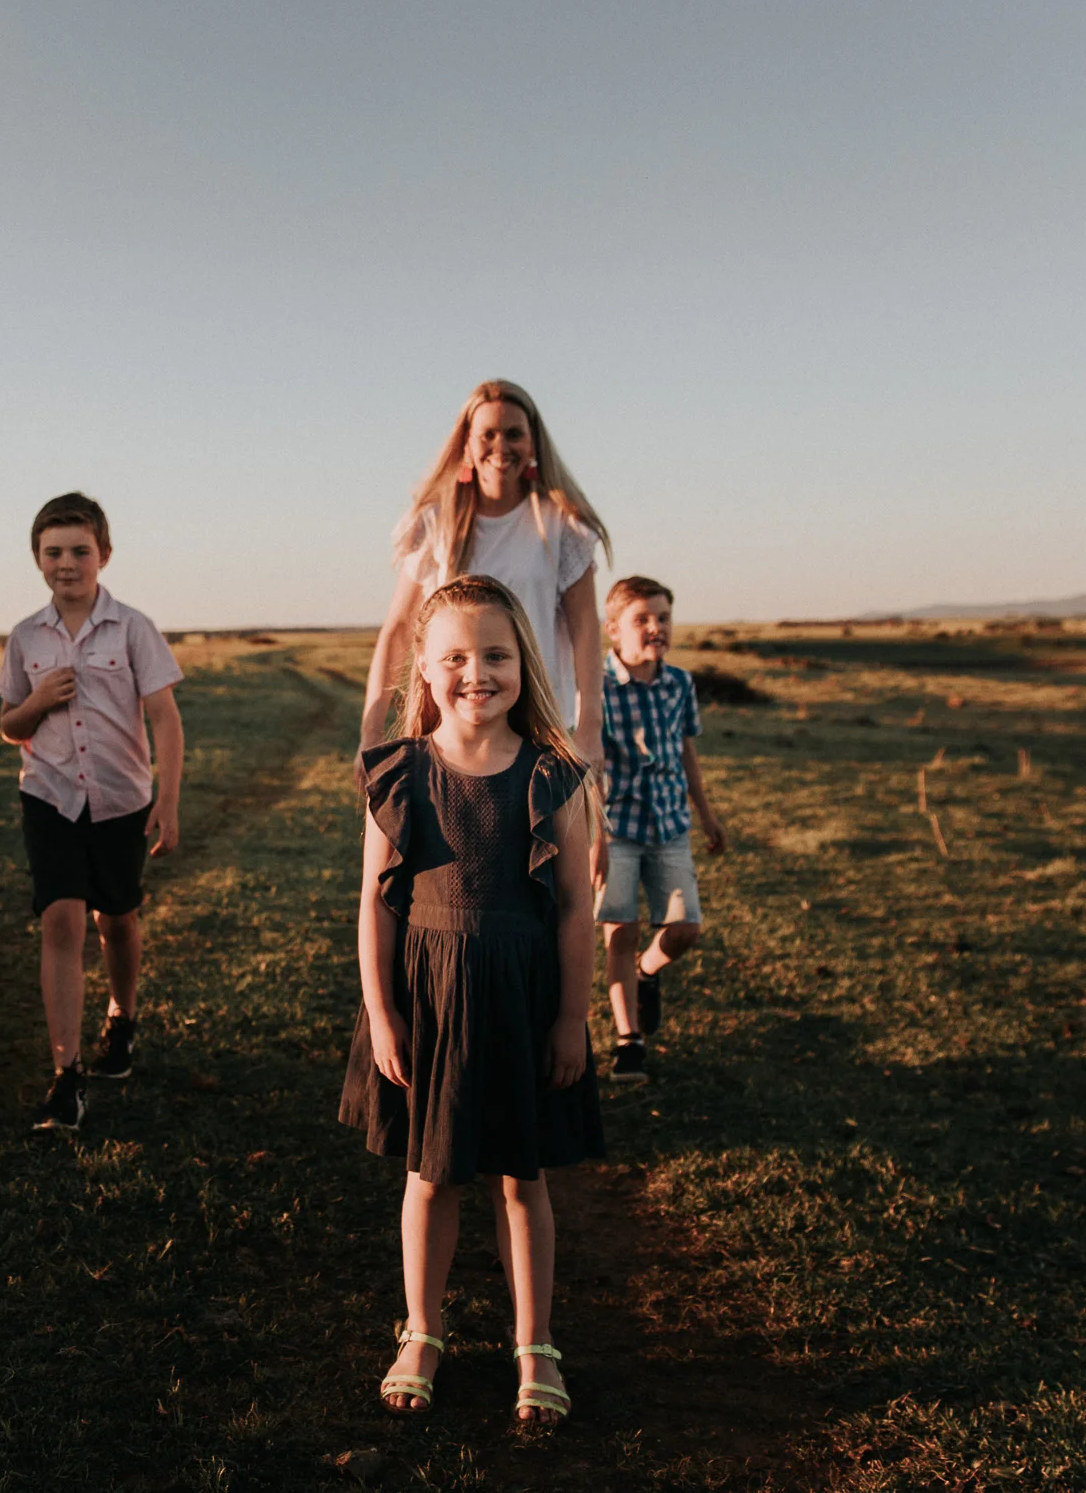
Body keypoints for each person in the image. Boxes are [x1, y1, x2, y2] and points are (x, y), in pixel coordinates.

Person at [340, 575, 602, 1427]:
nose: (476, 673)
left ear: (523, 663)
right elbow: (375, 905)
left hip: (524, 1000)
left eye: (495, 654)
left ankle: (536, 1343)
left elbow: (575, 906)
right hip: (431, 1002)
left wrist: (572, 1017)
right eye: (454, 656)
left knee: (521, 1181)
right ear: (423, 666)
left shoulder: (555, 777)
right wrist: (384, 1014)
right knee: (431, 1176)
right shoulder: (397, 773)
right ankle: (422, 1331)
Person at [0, 493, 185, 1133]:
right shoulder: (25, 637)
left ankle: (121, 1018)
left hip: (120, 799)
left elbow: (165, 718)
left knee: (118, 919)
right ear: (37, 559)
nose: (66, 563)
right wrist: (38, 700)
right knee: (62, 920)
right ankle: (66, 1075)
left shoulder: (132, 628)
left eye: (80, 550)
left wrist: (168, 799)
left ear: (104, 554)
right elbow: (10, 726)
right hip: (49, 797)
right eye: (53, 552)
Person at [360, 381, 610, 753]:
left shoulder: (561, 526)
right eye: (487, 435)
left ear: (533, 445)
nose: (501, 447)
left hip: (539, 728)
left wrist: (590, 726)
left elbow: (585, 628)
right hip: (450, 729)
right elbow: (398, 629)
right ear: (466, 444)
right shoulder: (436, 523)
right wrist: (372, 731)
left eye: (514, 434)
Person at [597, 576, 728, 1083]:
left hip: (670, 824)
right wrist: (592, 837)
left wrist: (707, 814)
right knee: (621, 933)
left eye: (664, 618)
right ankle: (628, 1039)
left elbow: (686, 750)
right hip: (616, 829)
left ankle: (647, 972)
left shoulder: (679, 684)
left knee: (685, 928)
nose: (656, 628)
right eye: (642, 619)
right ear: (614, 629)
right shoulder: (597, 686)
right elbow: (587, 764)